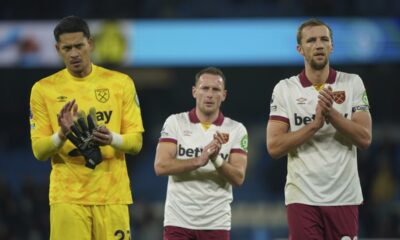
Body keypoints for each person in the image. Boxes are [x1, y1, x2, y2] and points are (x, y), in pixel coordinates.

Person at [29, 16, 144, 240]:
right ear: (57, 49)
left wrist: (111, 138)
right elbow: (39, 151)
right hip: (68, 198)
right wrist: (61, 134)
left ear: (90, 43)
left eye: (79, 46)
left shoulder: (120, 83)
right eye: (67, 48)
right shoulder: (43, 90)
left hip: (113, 196)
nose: (74, 54)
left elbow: (136, 143)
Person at [266, 18, 372, 240]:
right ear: (300, 49)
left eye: (324, 39)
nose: (319, 45)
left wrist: (331, 114)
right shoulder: (285, 89)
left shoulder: (352, 83)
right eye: (311, 40)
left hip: (344, 196)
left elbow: (365, 138)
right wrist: (314, 125)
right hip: (302, 197)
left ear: (332, 46)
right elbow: (274, 147)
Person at [154, 67, 248, 240]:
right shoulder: (175, 123)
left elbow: (238, 178)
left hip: (216, 223)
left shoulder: (236, 129)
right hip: (178, 222)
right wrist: (199, 160)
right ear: (194, 91)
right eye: (205, 88)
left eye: (216, 89)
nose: (210, 94)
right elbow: (160, 166)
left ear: (224, 95)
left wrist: (216, 159)